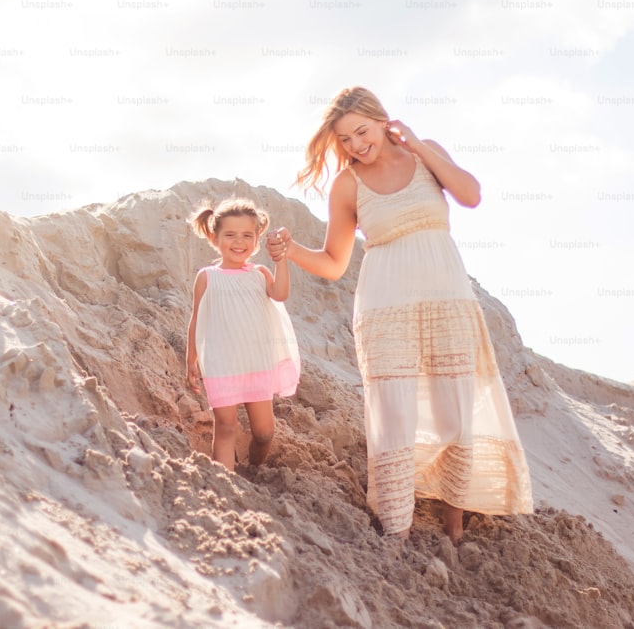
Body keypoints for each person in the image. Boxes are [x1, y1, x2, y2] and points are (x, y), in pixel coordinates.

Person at [266, 86, 532, 544]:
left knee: (454, 407)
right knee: (394, 414)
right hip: (384, 303)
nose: (355, 145)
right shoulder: (347, 185)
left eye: (362, 132)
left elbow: (470, 195)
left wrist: (418, 145)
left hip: (448, 298)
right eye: (345, 140)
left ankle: (453, 528)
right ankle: (397, 529)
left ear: (383, 120)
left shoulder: (426, 156)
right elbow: (334, 262)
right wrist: (290, 251)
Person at [186, 198, 300, 471]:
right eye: (230, 235)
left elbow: (281, 294)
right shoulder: (207, 277)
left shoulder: (260, 273)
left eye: (247, 235)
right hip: (221, 364)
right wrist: (191, 358)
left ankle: (253, 467)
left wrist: (280, 261)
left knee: (264, 433)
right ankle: (223, 483)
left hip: (256, 362)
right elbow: (196, 320)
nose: (239, 242)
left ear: (257, 239)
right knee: (224, 427)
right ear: (215, 238)